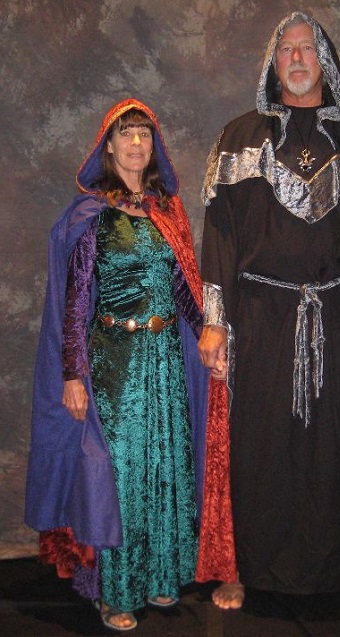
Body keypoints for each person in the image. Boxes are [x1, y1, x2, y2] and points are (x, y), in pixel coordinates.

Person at [198, 12, 340, 611]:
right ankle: (244, 566)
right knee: (260, 441)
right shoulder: (239, 141)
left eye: (307, 49)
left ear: (326, 62)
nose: (297, 59)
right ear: (272, 64)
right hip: (261, 317)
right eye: (286, 50)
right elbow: (219, 237)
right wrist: (215, 320)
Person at [25, 98, 236, 631]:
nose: (137, 143)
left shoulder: (168, 211)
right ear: (109, 146)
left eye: (144, 133)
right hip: (114, 362)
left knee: (165, 467)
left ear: (154, 145)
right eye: (126, 134)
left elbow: (184, 290)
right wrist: (73, 374)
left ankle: (160, 577)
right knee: (118, 475)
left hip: (166, 362)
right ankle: (114, 592)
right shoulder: (91, 215)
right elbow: (75, 302)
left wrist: (209, 337)